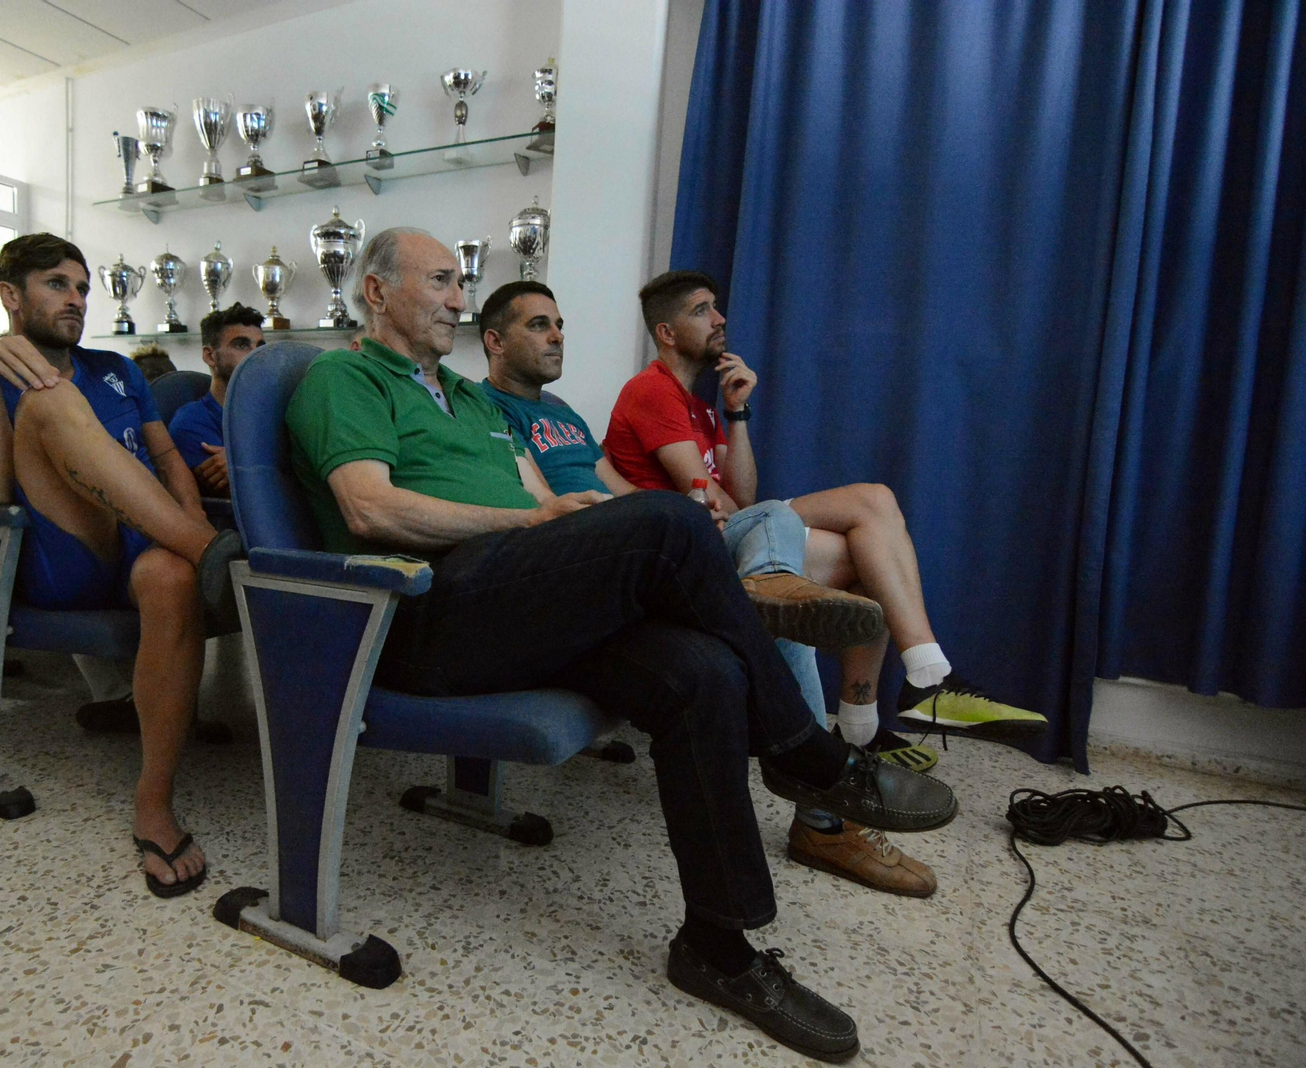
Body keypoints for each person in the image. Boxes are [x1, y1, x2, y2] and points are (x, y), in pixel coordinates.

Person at [286, 227, 958, 1061]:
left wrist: (613, 542)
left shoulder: (471, 399)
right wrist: (557, 524)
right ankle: (804, 750)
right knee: (671, 521)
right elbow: (369, 509)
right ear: (377, 292)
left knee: (702, 672)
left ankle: (717, 949)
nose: (459, 299)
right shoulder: (342, 376)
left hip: (515, 598)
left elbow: (545, 499)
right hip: (426, 611)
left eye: (462, 283)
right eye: (441, 282)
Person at [478, 280, 936, 898]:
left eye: (559, 324)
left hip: (658, 539)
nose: (558, 336)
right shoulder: (489, 408)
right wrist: (671, 519)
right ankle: (829, 808)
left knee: (781, 574)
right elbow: (536, 500)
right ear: (493, 342)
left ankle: (834, 779)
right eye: (539, 325)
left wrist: (687, 515)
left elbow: (624, 488)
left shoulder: (563, 415)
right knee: (784, 570)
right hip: (598, 557)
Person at [604, 270, 1048, 754]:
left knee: (873, 531)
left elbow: (744, 497)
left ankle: (881, 711)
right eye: (700, 310)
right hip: (691, 557)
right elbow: (714, 497)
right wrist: (737, 499)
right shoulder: (652, 390)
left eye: (715, 306)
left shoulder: (700, 408)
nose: (719, 318)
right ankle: (920, 684)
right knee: (872, 531)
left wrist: (736, 414)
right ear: (665, 333)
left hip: (732, 532)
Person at [0, 233, 242, 899]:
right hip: (62, 550)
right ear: (11, 296)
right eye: (57, 284)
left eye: (82, 288)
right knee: (47, 399)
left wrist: (187, 526)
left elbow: (167, 461)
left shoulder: (116, 368)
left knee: (172, 577)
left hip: (146, 539)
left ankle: (153, 803)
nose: (76, 299)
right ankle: (217, 557)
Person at [168, 303, 265, 496]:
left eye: (260, 347)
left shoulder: (274, 411)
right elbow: (250, 495)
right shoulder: (190, 422)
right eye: (241, 345)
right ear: (210, 356)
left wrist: (246, 462)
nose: (256, 354)